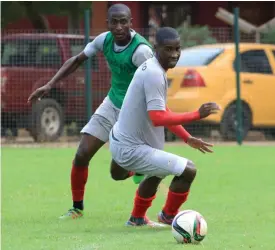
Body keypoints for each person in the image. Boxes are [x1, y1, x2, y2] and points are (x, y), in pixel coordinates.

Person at [27, 3, 154, 219]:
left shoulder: (141, 51)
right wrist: (50, 84)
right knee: (82, 154)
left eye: (124, 21)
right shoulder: (103, 40)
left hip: (135, 114)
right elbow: (76, 60)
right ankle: (77, 208)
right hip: (112, 104)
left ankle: (136, 169)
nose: (119, 26)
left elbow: (156, 83)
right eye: (114, 22)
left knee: (117, 173)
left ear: (131, 23)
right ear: (108, 24)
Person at [109, 27, 221, 227]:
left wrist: (187, 138)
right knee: (188, 170)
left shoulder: (153, 68)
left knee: (159, 169)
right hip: (130, 149)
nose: (174, 54)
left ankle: (137, 218)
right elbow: (158, 117)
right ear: (155, 48)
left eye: (177, 49)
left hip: (124, 142)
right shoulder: (154, 73)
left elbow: (162, 109)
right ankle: (169, 216)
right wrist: (197, 114)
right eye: (168, 49)